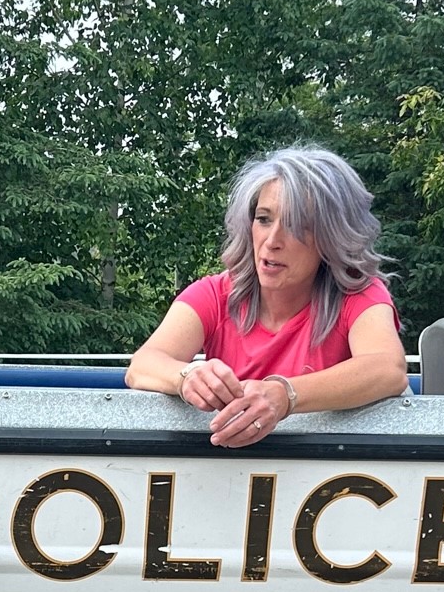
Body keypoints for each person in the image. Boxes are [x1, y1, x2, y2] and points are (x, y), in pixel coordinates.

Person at [125, 144, 408, 445]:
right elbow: (142, 366)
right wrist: (188, 376)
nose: (272, 241)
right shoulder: (215, 292)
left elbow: (388, 369)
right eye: (263, 219)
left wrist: (284, 395)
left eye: (297, 226)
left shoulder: (358, 293)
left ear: (332, 237)